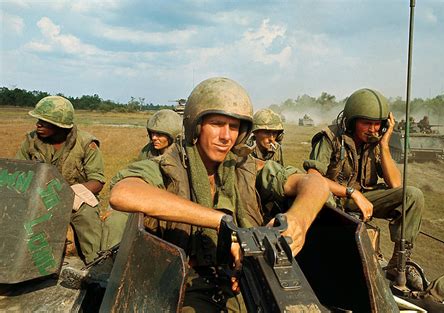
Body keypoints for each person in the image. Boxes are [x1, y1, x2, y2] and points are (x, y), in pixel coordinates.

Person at [109, 77, 329, 312]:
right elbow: (123, 193)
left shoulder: (246, 167)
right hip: (183, 281)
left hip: (241, 278)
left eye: (234, 127)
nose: (226, 136)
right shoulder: (169, 166)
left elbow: (314, 183)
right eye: (216, 123)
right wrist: (221, 223)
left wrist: (299, 219)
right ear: (196, 125)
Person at [303, 88, 425, 291]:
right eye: (366, 123)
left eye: (378, 123)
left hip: (364, 198)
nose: (373, 129)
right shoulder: (330, 138)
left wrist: (385, 144)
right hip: (332, 198)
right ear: (351, 121)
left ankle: (399, 263)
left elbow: (396, 185)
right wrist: (351, 193)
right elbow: (313, 177)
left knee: (412, 195)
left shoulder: (375, 142)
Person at [16, 96, 125, 264]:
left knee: (88, 217)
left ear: (60, 125)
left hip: (76, 199)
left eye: (44, 122)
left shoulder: (86, 143)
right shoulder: (31, 142)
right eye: (38, 120)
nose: (38, 124)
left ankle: (96, 265)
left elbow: (97, 181)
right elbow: (19, 173)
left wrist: (68, 194)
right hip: (38, 197)